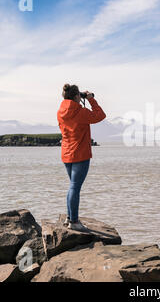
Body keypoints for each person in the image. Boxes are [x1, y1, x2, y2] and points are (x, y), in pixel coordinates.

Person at [57, 83, 106, 231]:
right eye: (79, 95)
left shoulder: (60, 111)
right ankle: (74, 221)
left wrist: (81, 98)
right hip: (80, 154)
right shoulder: (81, 112)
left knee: (72, 186)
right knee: (75, 187)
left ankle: (69, 218)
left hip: (66, 153)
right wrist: (91, 99)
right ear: (77, 96)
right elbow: (100, 115)